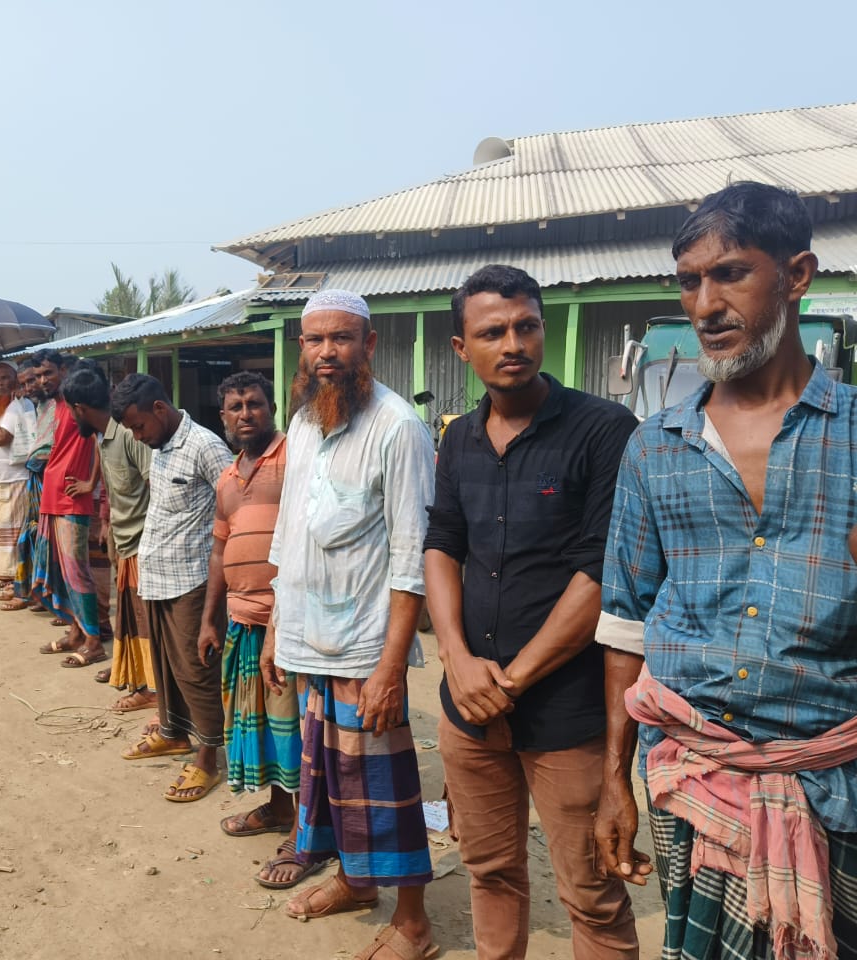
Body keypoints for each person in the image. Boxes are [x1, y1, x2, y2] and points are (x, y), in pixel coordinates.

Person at [596, 181, 857, 959]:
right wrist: (615, 776)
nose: (704, 303)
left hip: (833, 778)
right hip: (692, 779)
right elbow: (625, 622)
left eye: (731, 273)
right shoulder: (654, 446)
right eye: (688, 281)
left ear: (799, 273)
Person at [423, 265, 640, 960]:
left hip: (566, 713)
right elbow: (442, 545)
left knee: (592, 896)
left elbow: (603, 569)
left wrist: (509, 681)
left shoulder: (603, 430)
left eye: (526, 326)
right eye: (492, 331)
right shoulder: (458, 439)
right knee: (490, 872)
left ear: (542, 330)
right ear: (463, 348)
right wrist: (457, 661)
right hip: (469, 711)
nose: (512, 342)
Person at [267, 289, 438, 959]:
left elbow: (410, 558)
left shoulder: (398, 428)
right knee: (333, 784)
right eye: (314, 340)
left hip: (366, 650)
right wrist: (281, 627)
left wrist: (391, 668)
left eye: (341, 339)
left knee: (382, 790)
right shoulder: (306, 422)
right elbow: (288, 534)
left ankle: (416, 923)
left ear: (369, 345)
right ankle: (354, 883)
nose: (326, 353)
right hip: (312, 639)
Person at [195, 371, 309, 888]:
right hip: (240, 622)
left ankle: (308, 829)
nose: (246, 414)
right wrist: (208, 619)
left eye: (255, 404)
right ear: (222, 418)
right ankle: (279, 808)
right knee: (261, 726)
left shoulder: (294, 459)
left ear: (272, 408)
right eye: (235, 406)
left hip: (285, 624)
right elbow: (221, 549)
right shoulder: (226, 477)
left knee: (299, 728)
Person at [114, 373, 232, 802]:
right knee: (165, 666)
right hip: (158, 575)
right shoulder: (159, 447)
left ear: (159, 410)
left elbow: (234, 507)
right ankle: (172, 732)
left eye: (138, 426)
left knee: (195, 669)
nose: (136, 436)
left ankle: (208, 757)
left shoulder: (205, 446)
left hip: (193, 580)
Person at [62, 366, 155, 709]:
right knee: (130, 614)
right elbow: (112, 476)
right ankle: (130, 670)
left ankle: (151, 689)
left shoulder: (130, 434)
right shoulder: (103, 436)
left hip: (144, 542)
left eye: (71, 411)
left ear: (79, 408)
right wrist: (103, 512)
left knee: (146, 618)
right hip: (123, 536)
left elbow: (153, 485)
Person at [31, 352, 108, 668]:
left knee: (78, 572)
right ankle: (76, 631)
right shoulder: (55, 405)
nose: (42, 380)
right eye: (39, 375)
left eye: (48, 373)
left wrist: (91, 483)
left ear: (65, 370)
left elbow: (104, 441)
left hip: (71, 497)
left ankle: (93, 641)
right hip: (53, 495)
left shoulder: (80, 402)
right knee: (65, 572)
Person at [8, 353, 59, 613]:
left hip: (52, 477)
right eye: (26, 383)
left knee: (49, 540)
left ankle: (50, 597)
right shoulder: (38, 406)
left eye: (35, 380)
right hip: (37, 477)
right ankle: (35, 592)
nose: (30, 387)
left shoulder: (59, 405)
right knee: (33, 536)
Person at [0, 362, 34, 586]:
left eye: (5, 378)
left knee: (11, 536)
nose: (0, 383)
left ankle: (16, 581)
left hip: (11, 480)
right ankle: (6, 575)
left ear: (15, 380)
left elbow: (2, 438)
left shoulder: (16, 405)